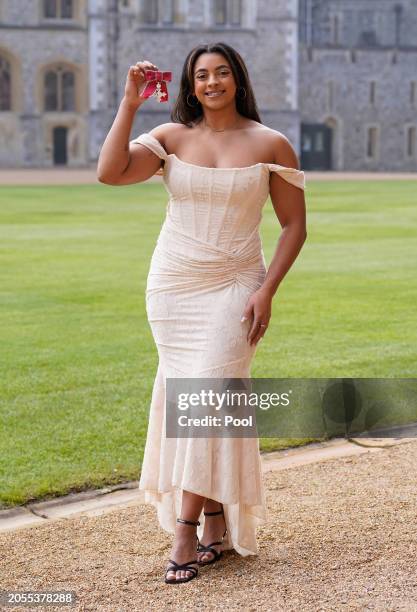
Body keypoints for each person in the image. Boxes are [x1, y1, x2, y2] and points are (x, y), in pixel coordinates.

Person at [97, 42, 307, 585]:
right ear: (190, 86)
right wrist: (129, 103)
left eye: (221, 73)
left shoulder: (272, 143)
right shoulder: (171, 138)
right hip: (173, 286)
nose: (211, 83)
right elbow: (111, 171)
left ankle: (185, 528)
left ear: (237, 78)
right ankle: (213, 515)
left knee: (211, 392)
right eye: (201, 76)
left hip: (237, 283)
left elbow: (293, 227)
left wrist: (267, 290)